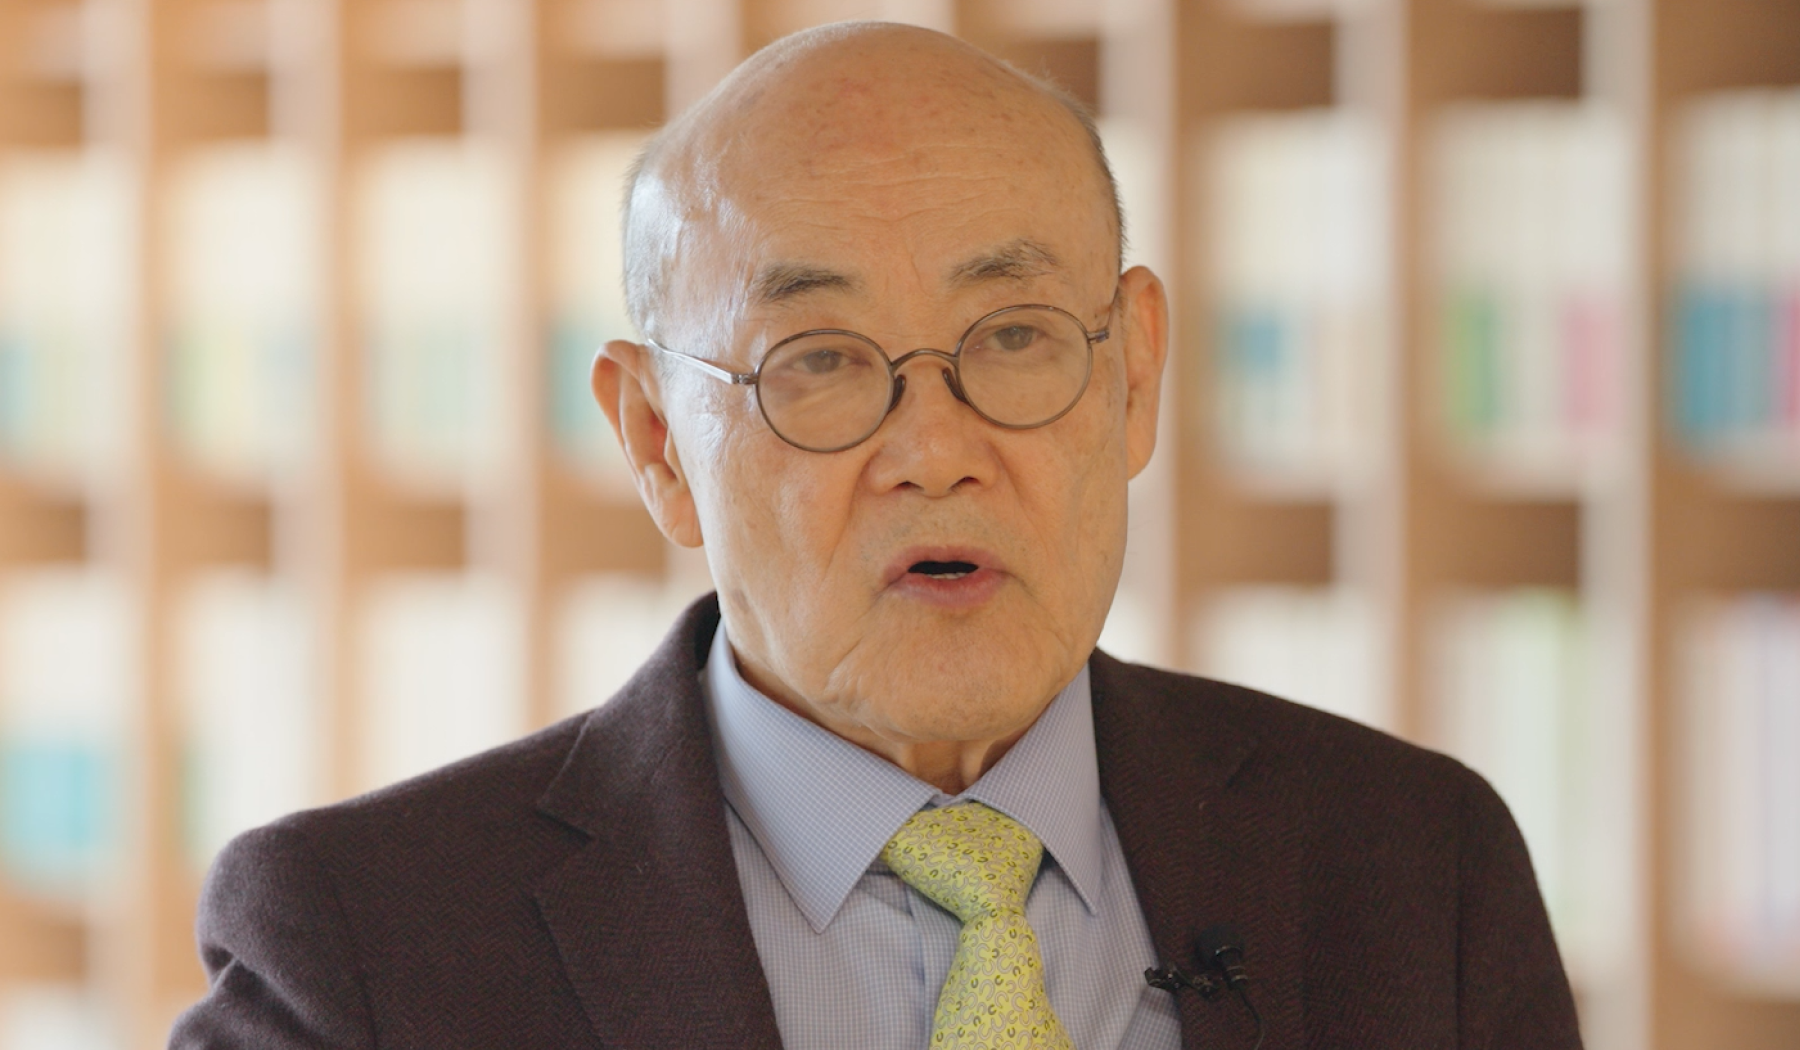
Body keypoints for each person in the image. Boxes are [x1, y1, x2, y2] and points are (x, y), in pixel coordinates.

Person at [170, 21, 1581, 1050]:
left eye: (1015, 337)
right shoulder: (365, 954)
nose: (935, 450)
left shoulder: (1413, 869)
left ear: (1136, 376)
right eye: (823, 362)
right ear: (657, 442)